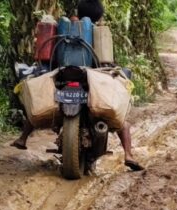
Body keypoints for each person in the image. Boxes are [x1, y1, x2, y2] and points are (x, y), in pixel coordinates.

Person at [13, 0, 143, 172]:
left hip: (62, 75)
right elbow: (107, 63)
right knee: (123, 122)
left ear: (78, 12)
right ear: (99, 16)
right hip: (91, 81)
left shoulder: (63, 30)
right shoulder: (99, 33)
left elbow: (49, 60)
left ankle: (23, 138)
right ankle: (128, 154)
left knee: (39, 98)